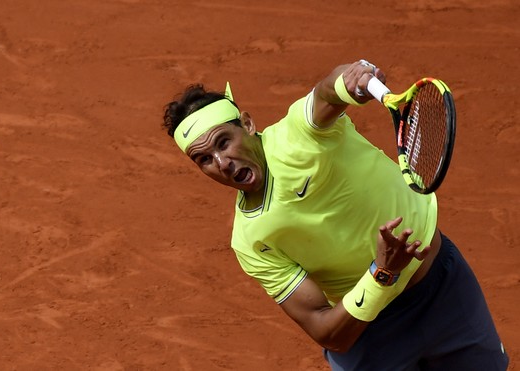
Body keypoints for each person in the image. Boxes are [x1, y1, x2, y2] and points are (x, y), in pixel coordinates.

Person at [162, 60, 509, 370]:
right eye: (204, 159)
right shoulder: (251, 242)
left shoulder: (299, 135)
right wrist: (382, 272)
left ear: (248, 124)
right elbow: (329, 332)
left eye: (223, 143)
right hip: (371, 334)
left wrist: (352, 80)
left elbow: (328, 93)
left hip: (444, 288)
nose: (222, 164)